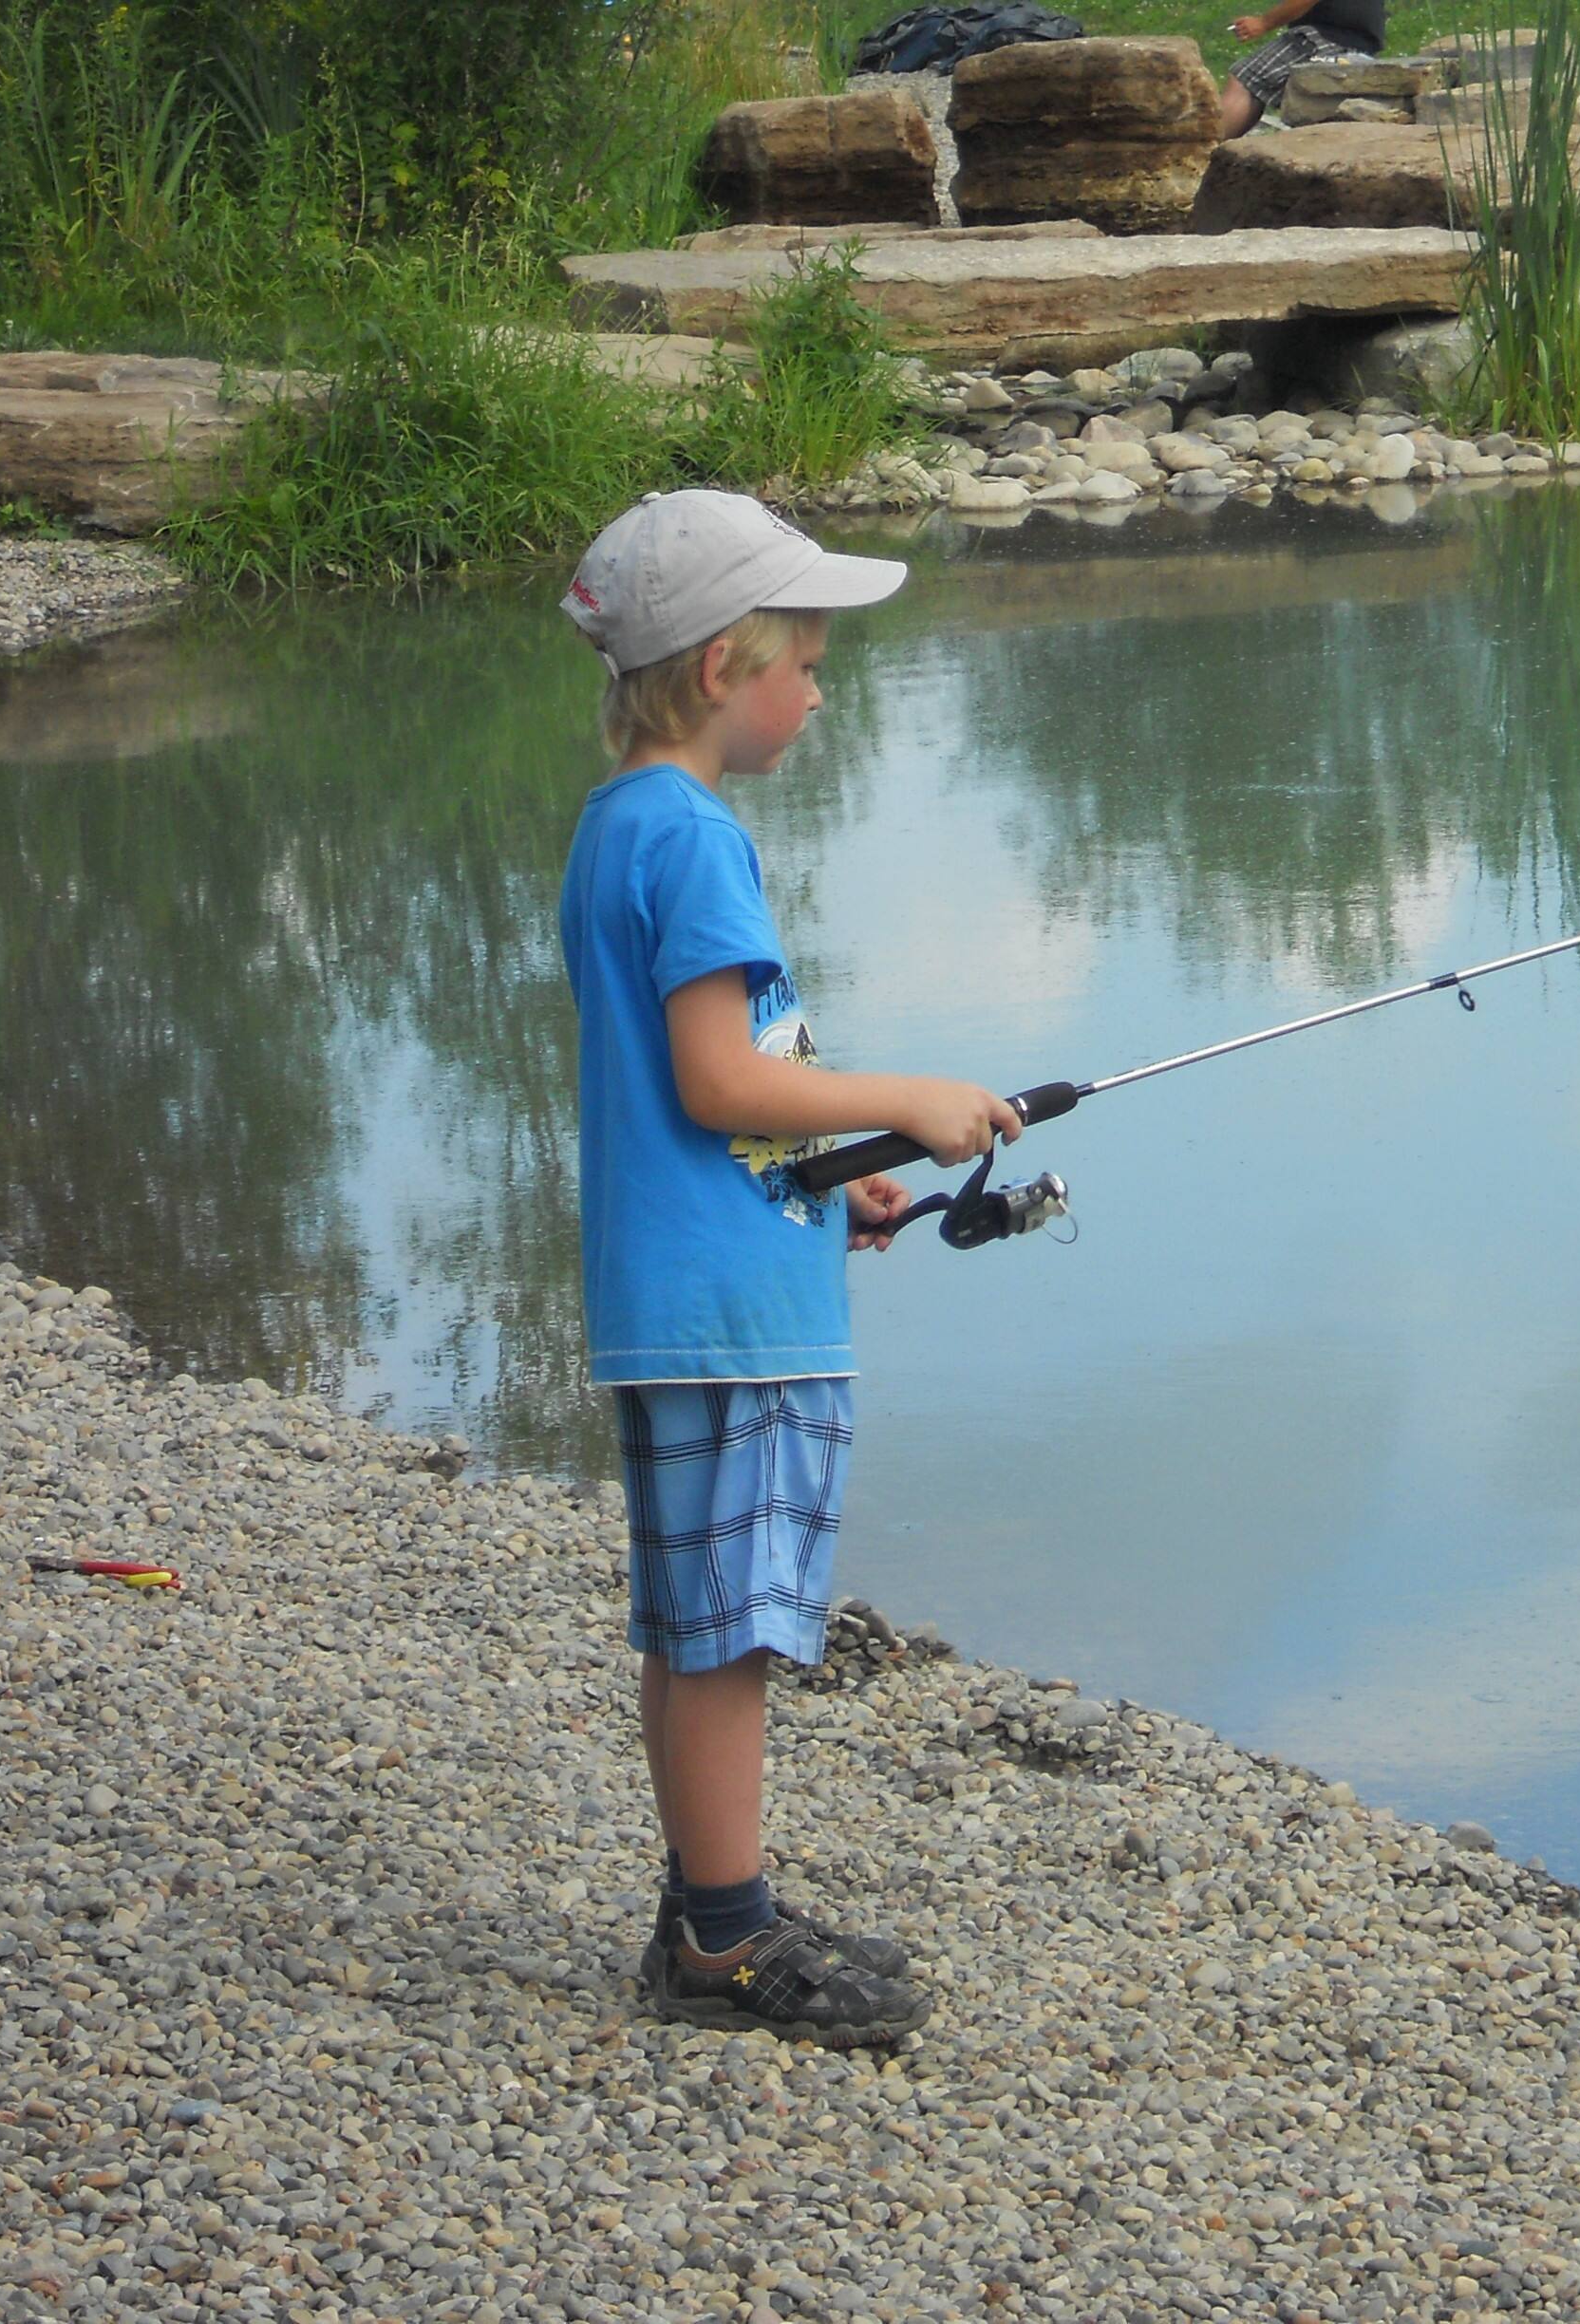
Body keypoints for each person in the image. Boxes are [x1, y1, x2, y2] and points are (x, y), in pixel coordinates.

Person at [557, 489, 1025, 2046]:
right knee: (734, 1634)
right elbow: (718, 1078)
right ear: (715, 670)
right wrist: (905, 1092)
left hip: (694, 1287)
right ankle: (725, 1942)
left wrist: (834, 1186)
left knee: (696, 1623)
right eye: (804, 663)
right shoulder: (689, 836)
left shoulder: (620, 821)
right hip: (726, 1319)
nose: (819, 690)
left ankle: (710, 1898)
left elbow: (731, 1094)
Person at [1218, 0, 1387, 136]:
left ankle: (1203, 151)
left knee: (1246, 78)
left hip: (1324, 36)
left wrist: (1263, 23)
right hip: (1361, 45)